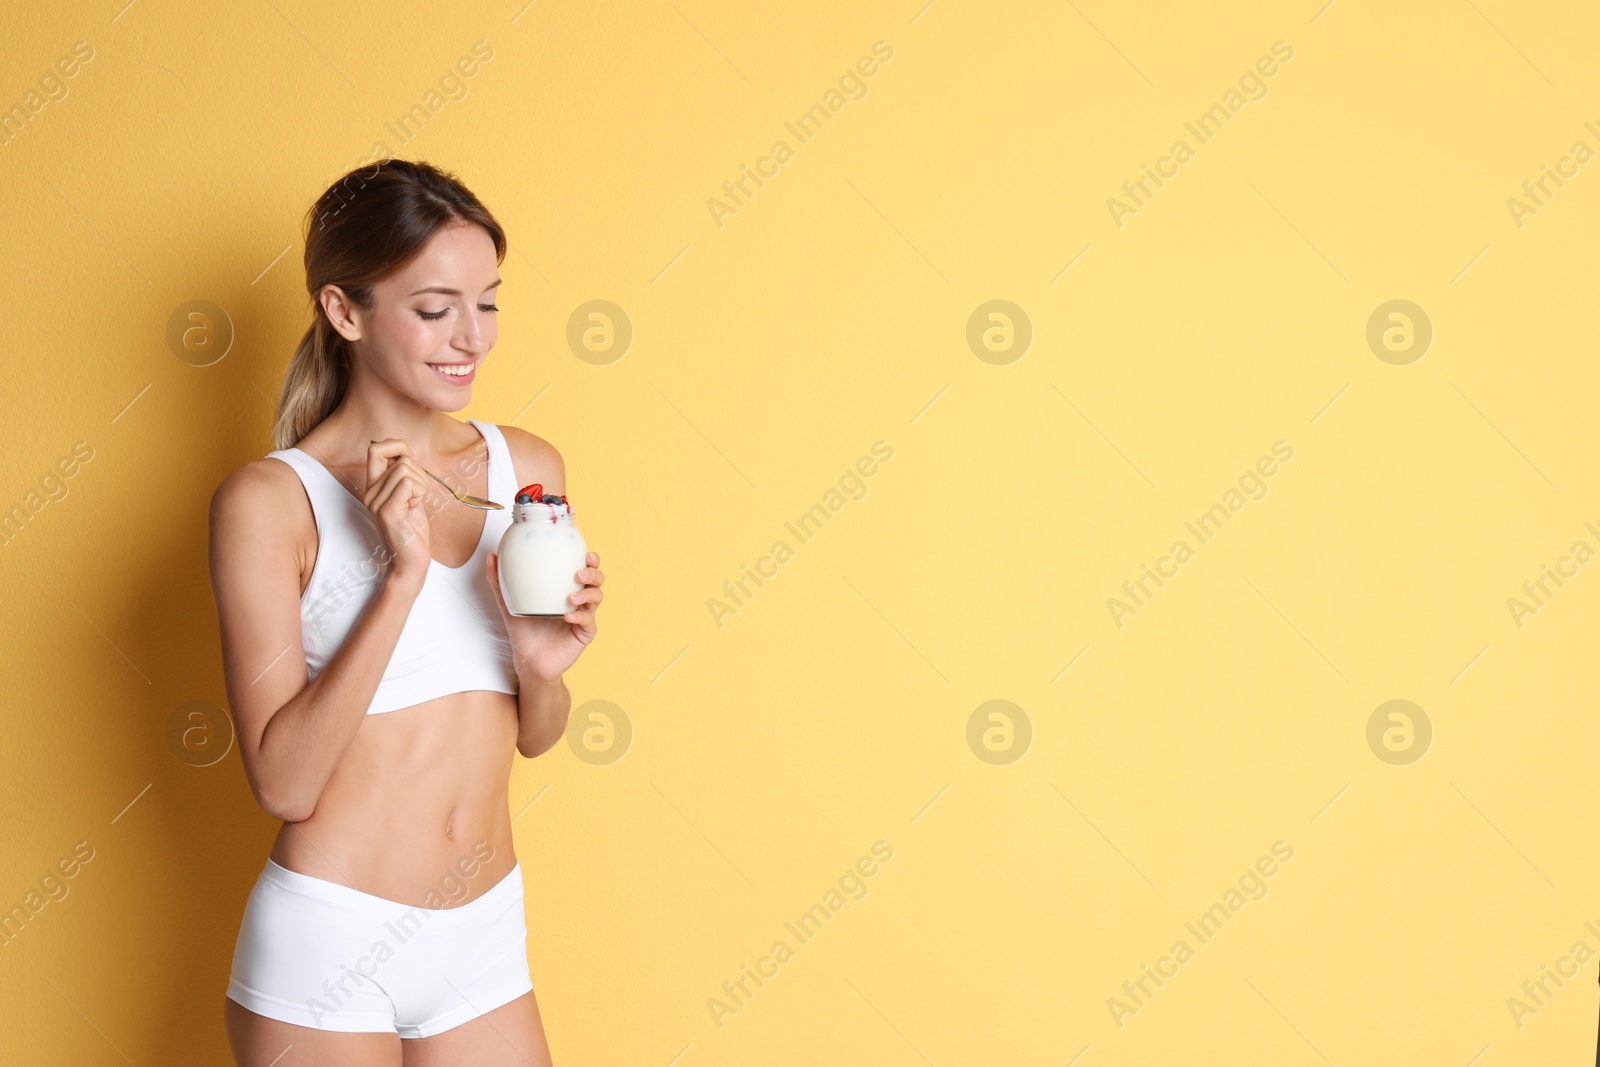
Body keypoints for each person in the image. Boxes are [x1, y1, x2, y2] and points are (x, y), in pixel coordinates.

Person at [208, 158, 601, 1065]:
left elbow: (533, 736)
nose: (473, 337)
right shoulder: (271, 503)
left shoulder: (527, 469)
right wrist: (399, 578)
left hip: (486, 936)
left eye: (488, 302)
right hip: (330, 943)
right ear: (345, 312)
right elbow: (283, 783)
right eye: (434, 309)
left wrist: (541, 671)